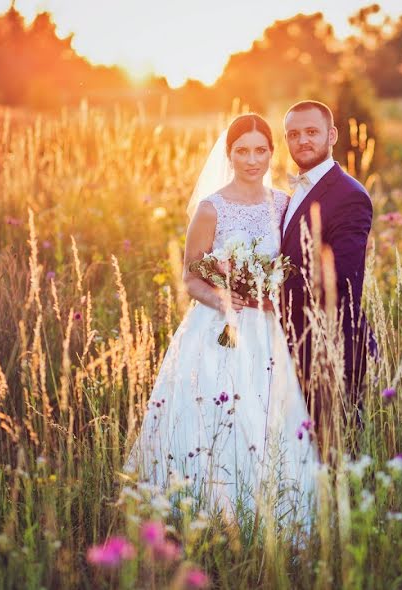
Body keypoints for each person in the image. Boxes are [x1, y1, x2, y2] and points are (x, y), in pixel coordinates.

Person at [125, 114, 319, 530]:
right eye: (242, 151)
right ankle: (202, 512)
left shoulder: (283, 204)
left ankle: (268, 516)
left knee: (266, 417)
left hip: (267, 332)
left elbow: (291, 267)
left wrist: (272, 291)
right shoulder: (212, 208)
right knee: (214, 418)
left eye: (260, 150)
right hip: (218, 330)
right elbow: (190, 278)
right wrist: (220, 297)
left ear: (271, 152)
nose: (252, 159)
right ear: (229, 154)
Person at [279, 100, 376, 450]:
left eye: (311, 132)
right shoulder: (295, 192)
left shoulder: (349, 196)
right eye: (293, 134)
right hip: (292, 345)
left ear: (332, 135)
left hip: (329, 347)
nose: (302, 140)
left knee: (337, 453)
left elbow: (345, 285)